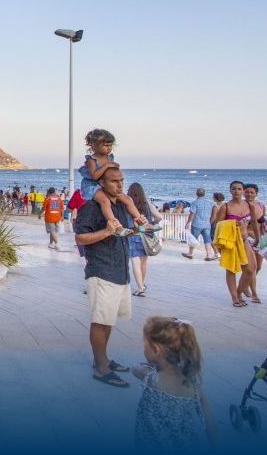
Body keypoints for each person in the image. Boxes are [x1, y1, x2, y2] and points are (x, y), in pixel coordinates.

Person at [74, 167, 134, 388]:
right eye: (114, 181)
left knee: (109, 319)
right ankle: (101, 368)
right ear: (101, 183)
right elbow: (80, 238)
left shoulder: (119, 206)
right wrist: (107, 232)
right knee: (100, 321)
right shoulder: (91, 207)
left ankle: (104, 359)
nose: (120, 185)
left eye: (122, 181)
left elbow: (121, 233)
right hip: (102, 270)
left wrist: (135, 230)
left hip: (120, 270)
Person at [130, 317, 218, 452]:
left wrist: (152, 364)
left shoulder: (150, 377)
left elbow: (134, 368)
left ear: (156, 349)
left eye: (144, 344)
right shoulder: (194, 387)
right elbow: (210, 424)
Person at [78, 129, 148, 233]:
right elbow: (94, 176)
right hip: (92, 185)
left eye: (110, 145)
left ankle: (141, 222)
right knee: (105, 201)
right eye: (106, 145)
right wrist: (107, 165)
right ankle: (116, 226)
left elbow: (111, 172)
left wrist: (114, 167)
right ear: (94, 146)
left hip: (106, 185)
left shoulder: (109, 158)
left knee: (128, 199)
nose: (109, 148)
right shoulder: (91, 160)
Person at [212, 181, 261, 308]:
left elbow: (254, 222)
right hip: (230, 242)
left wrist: (257, 237)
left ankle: (239, 292)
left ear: (243, 191)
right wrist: (233, 223)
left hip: (244, 241)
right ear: (230, 191)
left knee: (250, 270)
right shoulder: (225, 207)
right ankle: (234, 298)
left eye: (239, 189)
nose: (237, 191)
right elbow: (218, 225)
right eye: (234, 189)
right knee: (231, 269)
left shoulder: (249, 205)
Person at [127, 183, 159, 297]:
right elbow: (159, 217)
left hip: (134, 234)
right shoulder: (147, 204)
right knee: (144, 263)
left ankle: (140, 288)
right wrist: (152, 223)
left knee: (135, 262)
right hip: (146, 235)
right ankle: (142, 285)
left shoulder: (128, 204)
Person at [183, 189, 218, 260]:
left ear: (196, 193)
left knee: (193, 239)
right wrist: (210, 222)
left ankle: (190, 253)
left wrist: (188, 222)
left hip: (196, 224)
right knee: (207, 240)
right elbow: (214, 212)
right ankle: (209, 255)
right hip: (207, 224)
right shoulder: (210, 203)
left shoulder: (195, 203)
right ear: (204, 194)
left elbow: (192, 214)